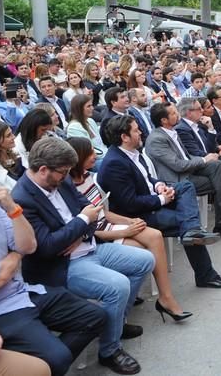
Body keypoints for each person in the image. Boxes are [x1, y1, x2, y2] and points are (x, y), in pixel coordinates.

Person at [0, 150, 107, 376]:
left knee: (95, 317)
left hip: (21, 292)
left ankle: (42, 365)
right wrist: (15, 252)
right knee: (57, 357)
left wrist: (12, 208)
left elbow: (29, 245)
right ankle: (46, 363)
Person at [12, 137, 154, 375]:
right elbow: (46, 246)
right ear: (43, 169)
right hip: (63, 265)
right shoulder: (22, 198)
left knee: (145, 260)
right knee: (117, 286)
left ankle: (114, 323)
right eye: (62, 172)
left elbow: (93, 211)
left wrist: (79, 230)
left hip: (87, 246)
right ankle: (110, 349)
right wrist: (82, 221)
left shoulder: (61, 180)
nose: (66, 176)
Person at [99, 115, 221, 289]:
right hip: (138, 216)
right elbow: (129, 204)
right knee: (188, 224)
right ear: (124, 137)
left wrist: (159, 186)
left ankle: (192, 233)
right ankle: (205, 272)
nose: (140, 132)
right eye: (135, 130)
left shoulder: (132, 152)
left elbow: (148, 179)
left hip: (151, 200)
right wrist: (162, 199)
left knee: (185, 187)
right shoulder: (114, 163)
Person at [67, 137, 191, 321]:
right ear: (78, 157)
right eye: (90, 152)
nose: (95, 155)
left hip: (109, 224)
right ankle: (119, 311)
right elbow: (86, 229)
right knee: (141, 251)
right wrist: (124, 232)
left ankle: (165, 297)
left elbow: (104, 212)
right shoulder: (69, 187)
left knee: (155, 235)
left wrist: (130, 221)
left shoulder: (87, 177)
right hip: (98, 236)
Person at [144, 102, 221, 239]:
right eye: (174, 113)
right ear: (164, 120)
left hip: (187, 172)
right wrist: (204, 160)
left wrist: (207, 158)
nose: (178, 115)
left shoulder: (171, 131)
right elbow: (178, 165)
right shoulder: (157, 139)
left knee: (217, 166)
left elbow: (186, 156)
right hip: (177, 180)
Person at [66, 94, 107, 160]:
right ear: (79, 109)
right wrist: (107, 156)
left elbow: (100, 144)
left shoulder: (90, 121)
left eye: (91, 105)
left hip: (103, 153)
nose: (92, 108)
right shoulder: (74, 127)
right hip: (92, 160)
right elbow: (88, 150)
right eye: (88, 106)